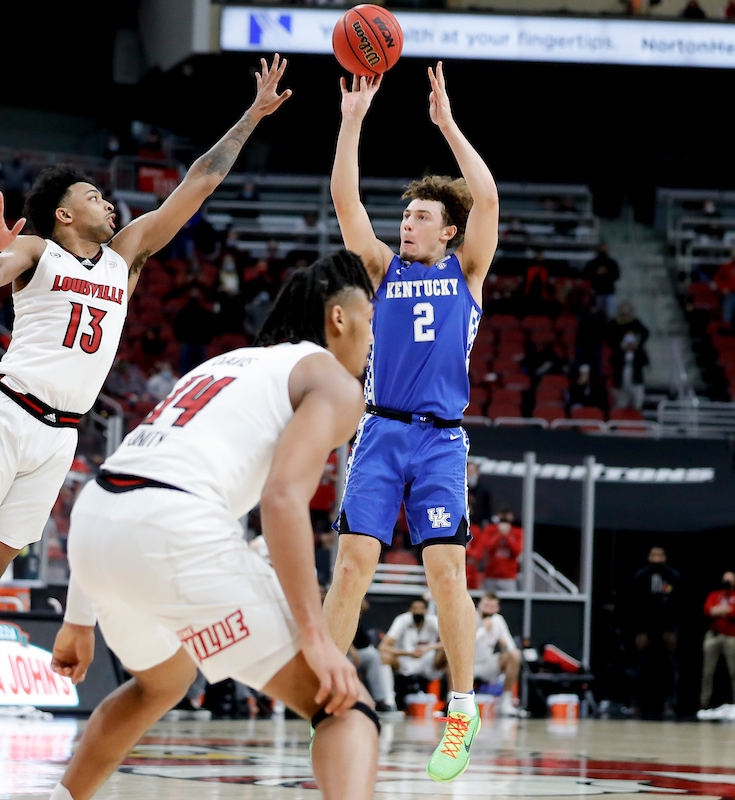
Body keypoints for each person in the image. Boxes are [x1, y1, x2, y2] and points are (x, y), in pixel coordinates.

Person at [0, 55, 294, 783]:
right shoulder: (39, 250)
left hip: (57, 437)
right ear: (63, 211)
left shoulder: (126, 258)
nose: (108, 204)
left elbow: (197, 184)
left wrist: (254, 115)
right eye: (93, 195)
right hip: (6, 410)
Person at [46, 250, 378, 800]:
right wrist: (317, 639)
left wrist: (80, 620)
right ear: (339, 318)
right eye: (371, 317)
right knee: (344, 705)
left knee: (161, 681)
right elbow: (282, 499)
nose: (375, 337)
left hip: (97, 521)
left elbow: (132, 474)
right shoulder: (336, 384)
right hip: (174, 527)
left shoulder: (223, 364)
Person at [321, 64, 499, 783]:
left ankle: (462, 707)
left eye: (422, 215)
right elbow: (346, 202)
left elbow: (486, 194)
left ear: (448, 231)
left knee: (444, 568)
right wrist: (353, 118)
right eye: (408, 215)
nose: (409, 221)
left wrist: (448, 124)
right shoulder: (383, 267)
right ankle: (330, 701)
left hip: (438, 438)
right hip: (380, 430)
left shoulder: (468, 270)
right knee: (353, 565)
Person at [631, 546, 682, 713]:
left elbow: (678, 605)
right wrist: (640, 631)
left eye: (660, 555)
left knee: (670, 665)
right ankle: (636, 702)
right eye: (654, 555)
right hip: (647, 627)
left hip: (666, 627)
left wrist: (672, 630)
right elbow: (635, 605)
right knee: (641, 665)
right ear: (648, 557)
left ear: (665, 558)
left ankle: (670, 702)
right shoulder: (641, 576)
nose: (657, 559)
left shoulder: (673, 576)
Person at [381, 598, 444, 702]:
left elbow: (450, 643)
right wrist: (408, 653)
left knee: (449, 654)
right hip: (405, 661)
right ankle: (388, 700)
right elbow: (383, 647)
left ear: (426, 611)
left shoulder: (433, 621)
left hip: (428, 661)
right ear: (410, 610)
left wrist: (429, 647)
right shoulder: (402, 620)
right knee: (384, 657)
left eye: (421, 609)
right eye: (415, 609)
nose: (418, 611)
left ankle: (453, 696)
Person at [700, 571, 735, 709]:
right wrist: (725, 610)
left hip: (731, 637)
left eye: (730, 580)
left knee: (734, 672)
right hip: (713, 636)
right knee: (708, 671)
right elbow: (708, 610)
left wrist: (718, 610)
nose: (727, 583)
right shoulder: (714, 595)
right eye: (725, 580)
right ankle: (704, 703)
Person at [473, 593, 521, 717]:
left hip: (487, 665)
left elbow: (511, 647)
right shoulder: (470, 616)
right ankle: (451, 700)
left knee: (515, 655)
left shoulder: (498, 620)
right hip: (467, 666)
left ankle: (506, 701)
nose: (488, 610)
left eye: (492, 607)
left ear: (497, 609)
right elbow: (465, 643)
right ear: (479, 605)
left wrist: (505, 646)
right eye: (486, 605)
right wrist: (484, 630)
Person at [581, 242, 620, 318]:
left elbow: (616, 276)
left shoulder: (612, 263)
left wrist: (605, 274)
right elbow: (585, 276)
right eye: (601, 247)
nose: (603, 249)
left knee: (610, 315)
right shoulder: (592, 263)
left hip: (609, 292)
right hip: (596, 293)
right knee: (597, 315)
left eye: (604, 247)